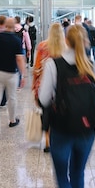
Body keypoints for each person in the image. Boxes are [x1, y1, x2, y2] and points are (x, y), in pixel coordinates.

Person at [38, 25, 95, 188]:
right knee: (78, 172)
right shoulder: (92, 66)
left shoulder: (54, 64)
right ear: (85, 41)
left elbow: (44, 99)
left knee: (61, 175)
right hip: (87, 129)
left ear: (66, 41)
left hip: (61, 128)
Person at [0, 17, 27, 138]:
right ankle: (12, 120)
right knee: (12, 97)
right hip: (11, 73)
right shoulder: (16, 40)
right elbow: (19, 58)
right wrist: (23, 75)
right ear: (14, 26)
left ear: (5, 25)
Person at [32, 22, 66, 153]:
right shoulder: (66, 47)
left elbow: (37, 68)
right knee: (60, 111)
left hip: (44, 83)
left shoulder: (42, 46)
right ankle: (58, 138)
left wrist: (34, 86)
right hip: (62, 85)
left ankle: (47, 141)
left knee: (45, 112)